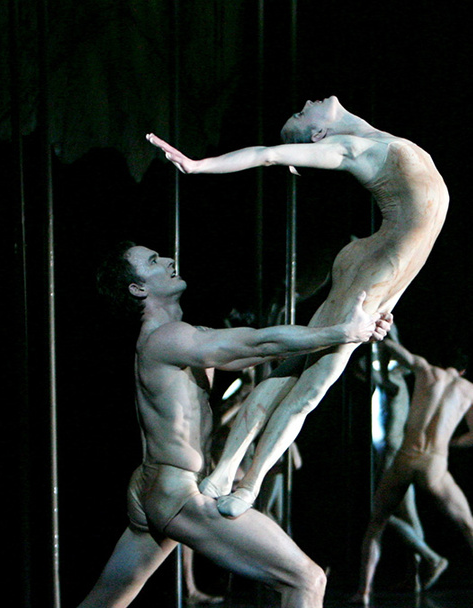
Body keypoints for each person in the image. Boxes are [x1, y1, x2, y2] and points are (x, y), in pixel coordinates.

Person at [0, 243, 392, 608]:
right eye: (152, 262)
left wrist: (348, 334)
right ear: (139, 288)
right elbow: (257, 344)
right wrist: (339, 332)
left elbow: (258, 349)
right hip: (176, 493)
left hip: (155, 489)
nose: (167, 260)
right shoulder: (165, 337)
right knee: (306, 579)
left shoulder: (180, 334)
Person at [146, 96, 449, 519]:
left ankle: (229, 473)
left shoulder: (376, 139)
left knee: (301, 375)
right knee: (307, 385)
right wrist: (199, 165)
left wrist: (388, 303)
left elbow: (419, 240)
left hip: (384, 273)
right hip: (370, 270)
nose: (305, 103)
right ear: (320, 135)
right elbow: (267, 155)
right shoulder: (352, 148)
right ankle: (241, 479)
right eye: (300, 115)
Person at [355, 338, 473, 604]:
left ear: (439, 362)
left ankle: (364, 592)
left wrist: (379, 330)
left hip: (406, 458)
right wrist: (448, 443)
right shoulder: (469, 391)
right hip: (434, 464)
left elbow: (396, 350)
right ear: (463, 371)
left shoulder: (425, 369)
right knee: (470, 527)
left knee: (376, 524)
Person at [369, 328, 448, 592]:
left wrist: (384, 340)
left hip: (391, 453)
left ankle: (430, 557)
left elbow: (374, 370)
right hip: (388, 451)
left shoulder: (393, 382)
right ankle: (416, 574)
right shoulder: (392, 378)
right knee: (407, 515)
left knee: (381, 514)